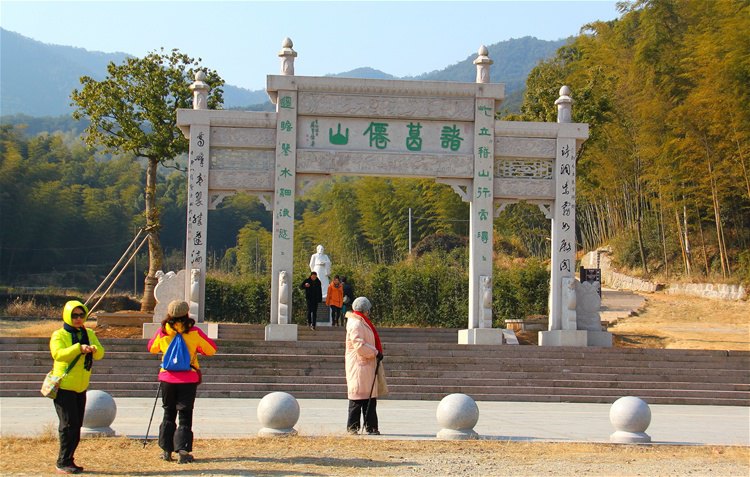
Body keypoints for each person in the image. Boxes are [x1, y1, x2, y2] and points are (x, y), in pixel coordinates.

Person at [148, 300, 217, 464]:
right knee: (185, 414)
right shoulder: (194, 332)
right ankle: (183, 451)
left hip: (167, 378)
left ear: (169, 314)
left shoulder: (163, 332)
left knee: (168, 412)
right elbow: (211, 349)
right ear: (187, 314)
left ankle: (166, 450)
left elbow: (151, 348)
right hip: (188, 378)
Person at [49, 300, 105, 474]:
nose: (78, 319)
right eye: (74, 315)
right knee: (67, 425)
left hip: (81, 387)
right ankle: (63, 461)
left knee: (76, 425)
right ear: (67, 315)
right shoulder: (59, 335)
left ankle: (69, 459)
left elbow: (101, 354)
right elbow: (58, 354)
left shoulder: (88, 333)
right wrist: (78, 348)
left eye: (82, 315)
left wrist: (94, 349)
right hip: (64, 386)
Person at [344, 296, 383, 435]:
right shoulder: (356, 323)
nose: (369, 312)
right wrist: (375, 352)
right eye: (368, 309)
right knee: (357, 398)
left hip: (366, 365)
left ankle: (371, 427)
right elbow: (359, 346)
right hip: (359, 365)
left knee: (369, 399)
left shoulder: (361, 321)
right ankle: (353, 428)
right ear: (365, 310)